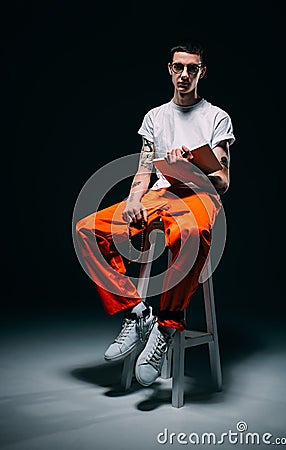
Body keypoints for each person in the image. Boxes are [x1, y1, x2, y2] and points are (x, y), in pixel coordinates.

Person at [75, 41, 235, 387]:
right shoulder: (156, 117)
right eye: (179, 67)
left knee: (191, 236)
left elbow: (223, 181)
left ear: (201, 72)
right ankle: (137, 313)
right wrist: (134, 197)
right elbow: (145, 169)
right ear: (170, 69)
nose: (184, 74)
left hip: (199, 196)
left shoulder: (216, 117)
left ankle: (165, 327)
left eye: (192, 68)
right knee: (87, 229)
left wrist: (192, 164)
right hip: (159, 194)